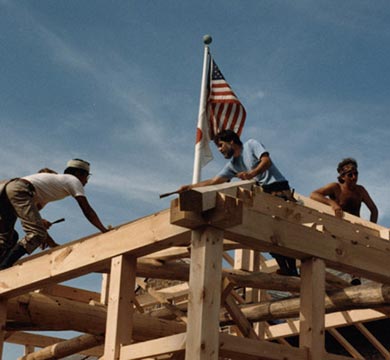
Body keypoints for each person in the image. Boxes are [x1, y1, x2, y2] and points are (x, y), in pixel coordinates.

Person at [178, 129, 299, 276]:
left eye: (221, 145)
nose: (220, 149)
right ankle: (286, 269)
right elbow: (214, 181)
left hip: (278, 190)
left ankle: (292, 269)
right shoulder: (233, 165)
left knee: (280, 232)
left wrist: (251, 174)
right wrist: (190, 187)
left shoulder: (251, 145)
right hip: (264, 195)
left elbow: (266, 161)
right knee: (265, 234)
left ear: (232, 142)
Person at [0, 159, 109, 269]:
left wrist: (51, 243)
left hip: (5, 188)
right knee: (36, 233)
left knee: (8, 238)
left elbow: (33, 219)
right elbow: (87, 209)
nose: (86, 181)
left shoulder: (45, 190)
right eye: (87, 177)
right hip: (19, 189)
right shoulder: (73, 180)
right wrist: (104, 230)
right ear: (78, 173)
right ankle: (4, 267)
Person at [310, 158, 378, 285]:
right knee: (340, 250)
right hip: (338, 228)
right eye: (350, 174)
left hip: (355, 230)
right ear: (342, 176)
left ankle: (355, 277)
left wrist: (371, 228)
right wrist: (332, 203)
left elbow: (373, 209)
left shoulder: (360, 190)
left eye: (356, 174)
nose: (354, 177)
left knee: (357, 249)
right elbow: (314, 195)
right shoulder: (336, 188)